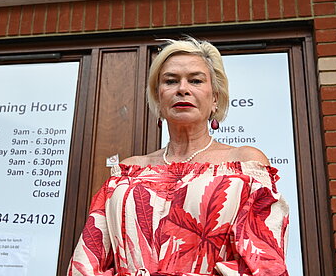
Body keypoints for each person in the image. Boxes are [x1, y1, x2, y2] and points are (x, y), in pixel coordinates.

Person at [68, 37, 289, 276]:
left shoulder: (244, 165)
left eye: (195, 80)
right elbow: (87, 262)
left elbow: (264, 264)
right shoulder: (126, 173)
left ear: (215, 98)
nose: (182, 88)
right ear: (159, 99)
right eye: (171, 81)